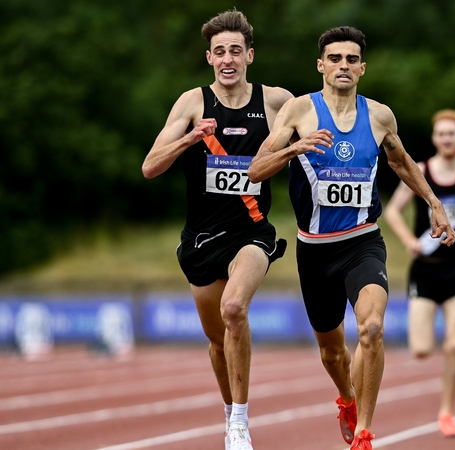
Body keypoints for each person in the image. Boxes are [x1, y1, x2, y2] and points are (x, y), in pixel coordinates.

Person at [247, 26, 455, 450]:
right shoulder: (298, 111)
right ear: (321, 65)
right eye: (335, 59)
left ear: (362, 67)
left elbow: (401, 163)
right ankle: (345, 396)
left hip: (363, 242)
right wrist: (295, 148)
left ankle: (364, 430)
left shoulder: (379, 115)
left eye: (351, 59)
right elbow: (255, 170)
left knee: (372, 329)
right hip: (314, 249)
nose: (344, 66)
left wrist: (434, 202)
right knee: (332, 353)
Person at [142, 10, 291, 450]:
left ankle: (240, 423)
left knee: (233, 310)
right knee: (216, 340)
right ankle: (230, 412)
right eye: (220, 51)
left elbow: (320, 127)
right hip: (202, 238)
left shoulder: (277, 100)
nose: (228, 59)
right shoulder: (192, 102)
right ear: (210, 57)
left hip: (252, 231)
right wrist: (189, 138)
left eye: (236, 51)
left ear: (250, 55)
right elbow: (150, 166)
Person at [384, 109, 455, 437]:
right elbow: (393, 211)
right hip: (425, 270)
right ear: (434, 139)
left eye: (452, 133)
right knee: (421, 349)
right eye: (441, 133)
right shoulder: (422, 171)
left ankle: (447, 412)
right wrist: (409, 242)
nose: (446, 138)